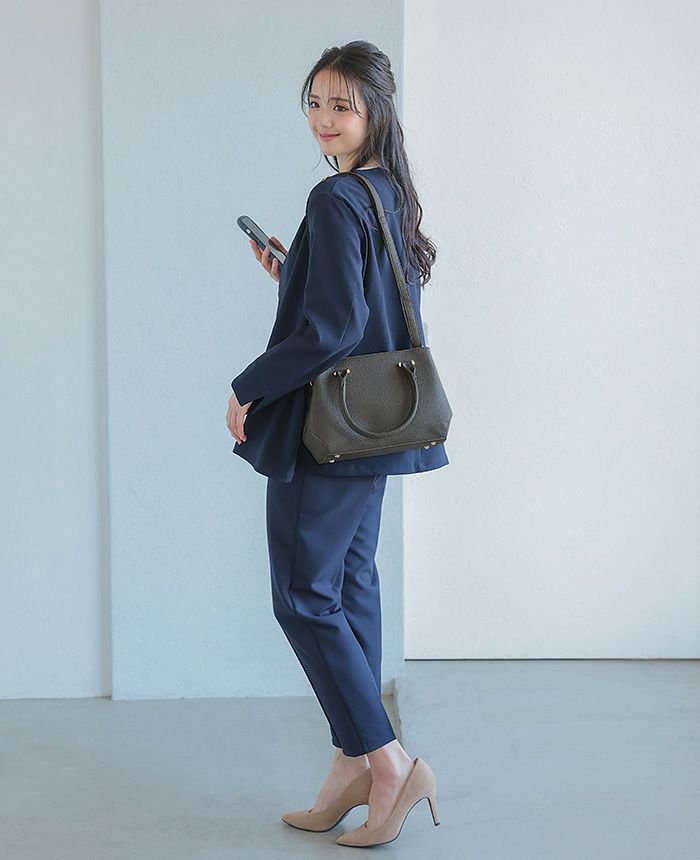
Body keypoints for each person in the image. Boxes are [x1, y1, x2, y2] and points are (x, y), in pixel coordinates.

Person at [225, 41, 446, 848]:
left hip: (327, 432)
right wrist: (294, 273)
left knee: (303, 595)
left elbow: (333, 330)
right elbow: (361, 310)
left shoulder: (337, 198)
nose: (324, 119)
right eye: (315, 103)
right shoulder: (387, 193)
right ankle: (352, 762)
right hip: (376, 425)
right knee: (350, 586)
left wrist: (248, 385)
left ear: (374, 111)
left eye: (341, 106)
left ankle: (388, 763)